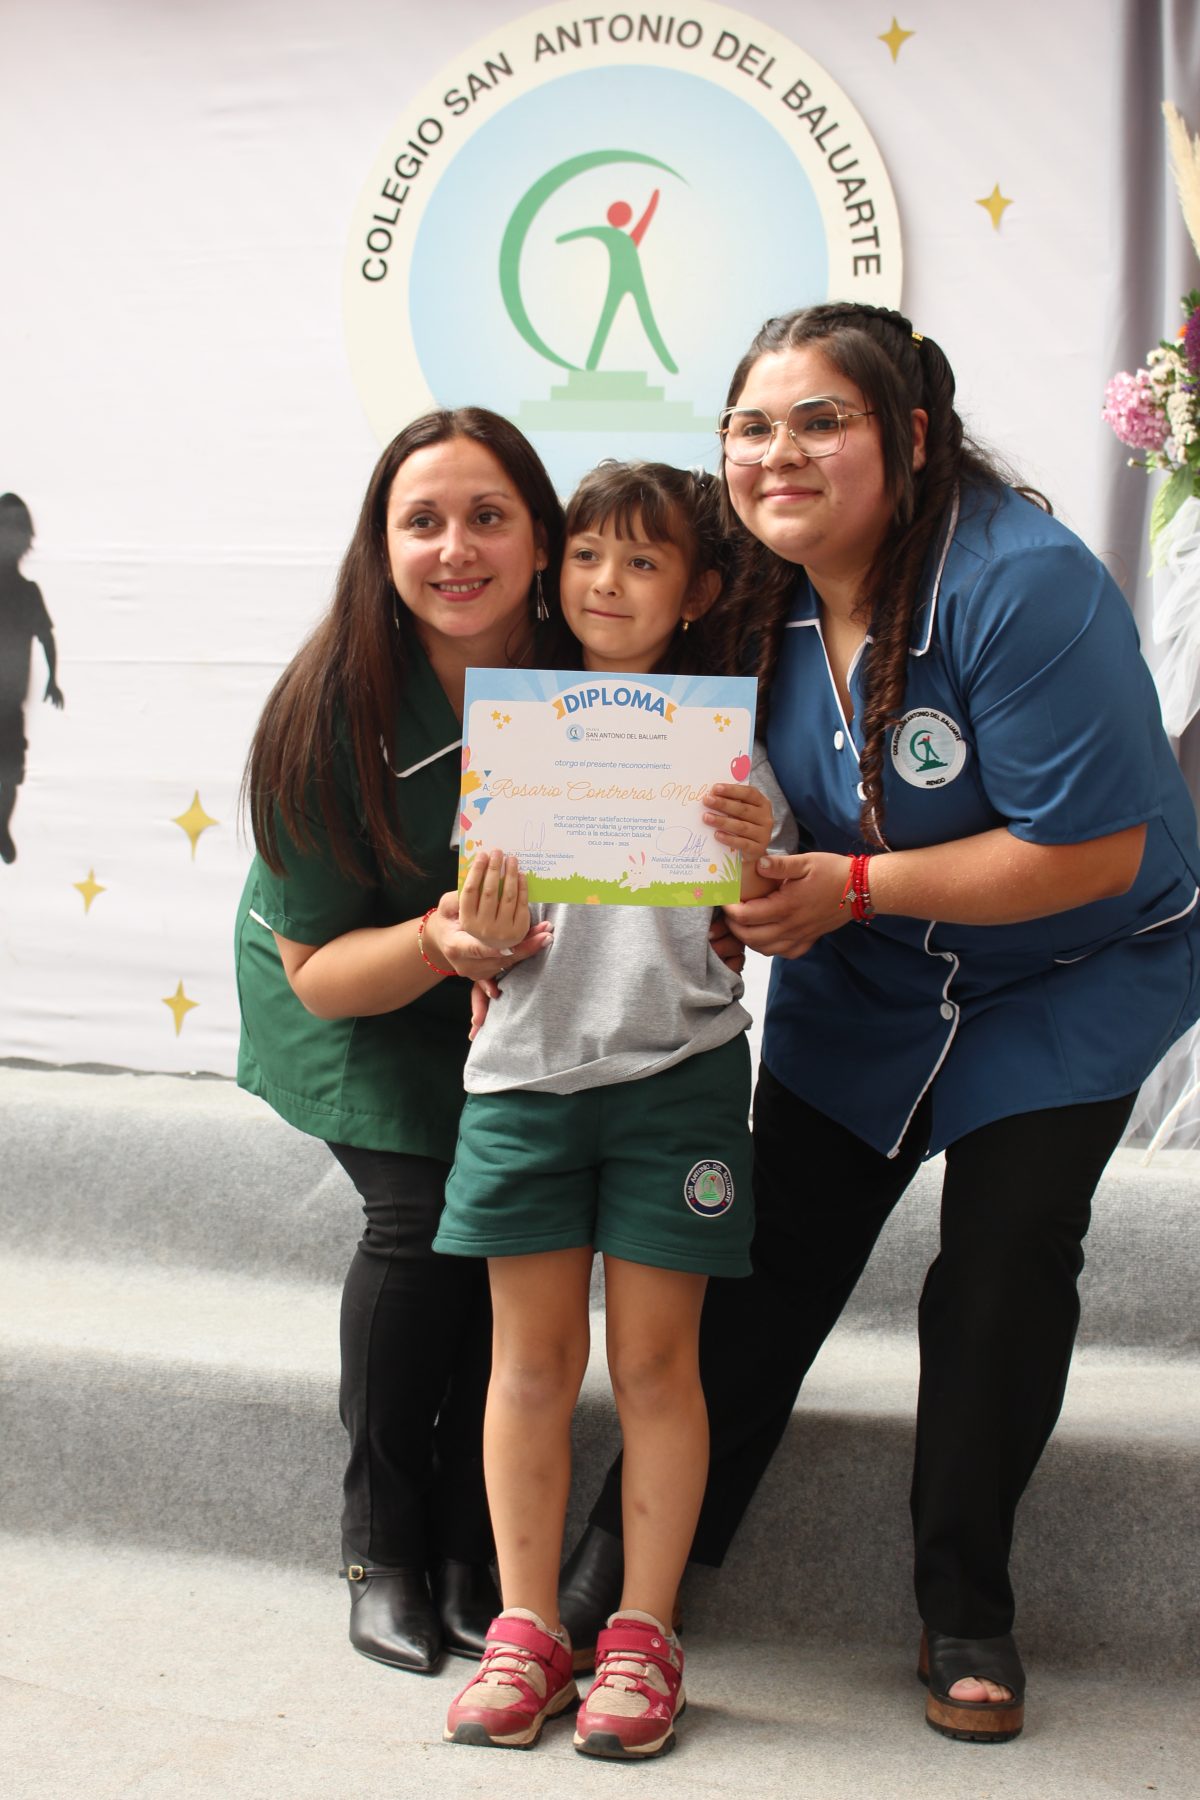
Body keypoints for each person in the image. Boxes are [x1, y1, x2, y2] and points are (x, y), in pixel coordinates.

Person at [560, 303, 1200, 1744]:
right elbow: (662, 754)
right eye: (751, 426)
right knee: (766, 1254)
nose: (778, 454)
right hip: (870, 973)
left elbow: (1090, 854)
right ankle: (630, 1578)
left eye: (820, 422)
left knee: (1002, 1264)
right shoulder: (743, 586)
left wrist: (843, 889)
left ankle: (967, 1603)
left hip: (1070, 972)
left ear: (910, 438)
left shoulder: (1019, 584)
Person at [434, 461, 797, 1759]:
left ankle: (643, 1631)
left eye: (643, 562)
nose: (607, 581)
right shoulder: (508, 733)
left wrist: (755, 850)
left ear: (697, 590)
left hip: (678, 1086)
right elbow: (463, 928)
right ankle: (528, 1627)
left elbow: (765, 927)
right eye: (588, 553)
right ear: (554, 567)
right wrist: (470, 932)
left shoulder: (728, 746)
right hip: (524, 1084)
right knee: (530, 1366)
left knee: (655, 1367)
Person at [234, 408, 563, 1674]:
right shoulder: (325, 716)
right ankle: (382, 1544)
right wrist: (436, 945)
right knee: (424, 1220)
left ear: (542, 536)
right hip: (358, 980)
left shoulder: (592, 664)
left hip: (509, 990)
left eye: (489, 515)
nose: (456, 548)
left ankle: (483, 1540)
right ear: (380, 547)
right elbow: (320, 972)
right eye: (421, 521)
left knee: (518, 1222)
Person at [0, 492, 64, 866]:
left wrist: (53, 678)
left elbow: (46, 636)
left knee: (10, 771)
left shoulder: (27, 593)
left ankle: (2, 826)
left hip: (9, 705)